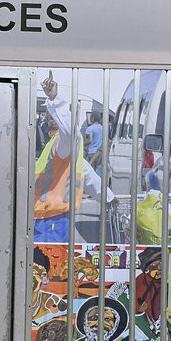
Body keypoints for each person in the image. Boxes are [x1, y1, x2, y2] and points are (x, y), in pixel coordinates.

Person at [34, 72, 110, 242]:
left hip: (51, 219)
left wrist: (55, 100)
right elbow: (86, 172)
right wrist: (108, 197)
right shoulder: (55, 142)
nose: (48, 117)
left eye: (51, 113)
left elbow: (70, 132)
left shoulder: (64, 141)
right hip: (47, 216)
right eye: (48, 113)